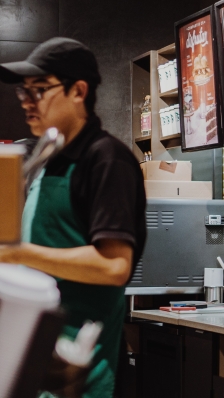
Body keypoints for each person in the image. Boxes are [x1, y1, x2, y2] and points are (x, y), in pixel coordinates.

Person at [0, 37, 146, 398]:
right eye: (25, 91)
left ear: (78, 91)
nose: (28, 102)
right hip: (36, 355)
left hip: (80, 367)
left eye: (41, 89)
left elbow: (114, 266)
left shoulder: (106, 159)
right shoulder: (48, 158)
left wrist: (15, 253)